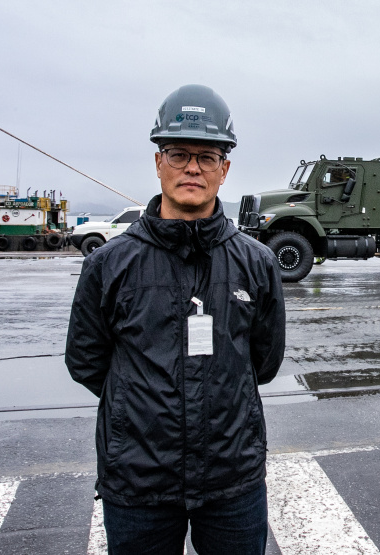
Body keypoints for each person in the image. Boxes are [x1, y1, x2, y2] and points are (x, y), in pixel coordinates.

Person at [66, 84, 286, 555]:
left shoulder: (257, 263)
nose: (192, 167)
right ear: (158, 162)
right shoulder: (109, 263)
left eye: (207, 156)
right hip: (139, 481)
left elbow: (263, 361)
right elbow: (87, 362)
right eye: (178, 153)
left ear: (224, 169)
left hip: (233, 479)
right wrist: (140, 411)